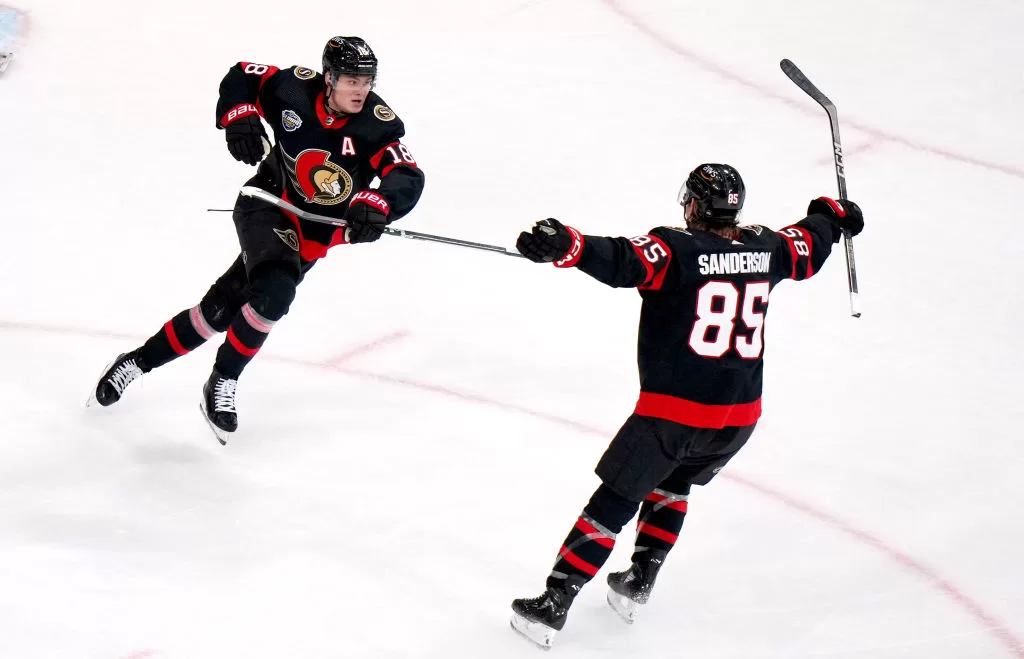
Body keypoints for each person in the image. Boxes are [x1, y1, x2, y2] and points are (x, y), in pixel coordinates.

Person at [508, 163, 864, 648]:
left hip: (672, 414)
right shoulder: (765, 247)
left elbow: (622, 259)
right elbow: (807, 244)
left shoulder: (677, 249)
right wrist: (831, 215)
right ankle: (639, 580)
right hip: (737, 418)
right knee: (673, 482)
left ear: (695, 205)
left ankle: (552, 605)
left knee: (615, 498)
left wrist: (566, 244)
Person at [87, 36, 425, 443]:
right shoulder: (292, 88)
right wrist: (239, 115)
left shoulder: (378, 124)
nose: (361, 90)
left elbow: (405, 174)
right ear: (329, 76)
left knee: (219, 310)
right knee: (274, 292)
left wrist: (378, 203)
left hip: (315, 233)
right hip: (266, 203)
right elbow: (241, 76)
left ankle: (136, 363)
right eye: (351, 79)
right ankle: (222, 381)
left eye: (367, 81)